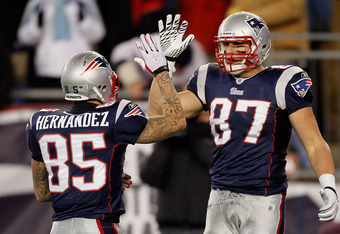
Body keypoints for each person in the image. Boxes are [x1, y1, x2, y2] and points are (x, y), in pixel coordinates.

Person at [145, 12, 339, 233]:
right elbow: (160, 114)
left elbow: (313, 142)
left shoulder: (283, 81)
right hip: (219, 195)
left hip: (263, 198)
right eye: (225, 45)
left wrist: (328, 184)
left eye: (238, 45)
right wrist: (162, 69)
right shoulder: (210, 77)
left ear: (260, 45)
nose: (230, 52)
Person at [26, 33, 187, 233]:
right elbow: (176, 121)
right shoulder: (116, 115)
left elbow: (42, 193)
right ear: (100, 82)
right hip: (98, 226)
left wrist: (100, 180)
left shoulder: (40, 122)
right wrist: (162, 71)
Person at [140, 112, 212, 234]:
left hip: (205, 224)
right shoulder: (168, 145)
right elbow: (149, 176)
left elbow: (216, 165)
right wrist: (166, 142)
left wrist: (193, 138)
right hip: (171, 224)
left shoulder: (213, 138)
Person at [17, 0, 106, 88]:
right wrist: (38, 24)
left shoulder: (84, 3)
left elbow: (98, 34)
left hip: (79, 67)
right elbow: (25, 38)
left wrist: (83, 19)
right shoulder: (38, 3)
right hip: (47, 67)